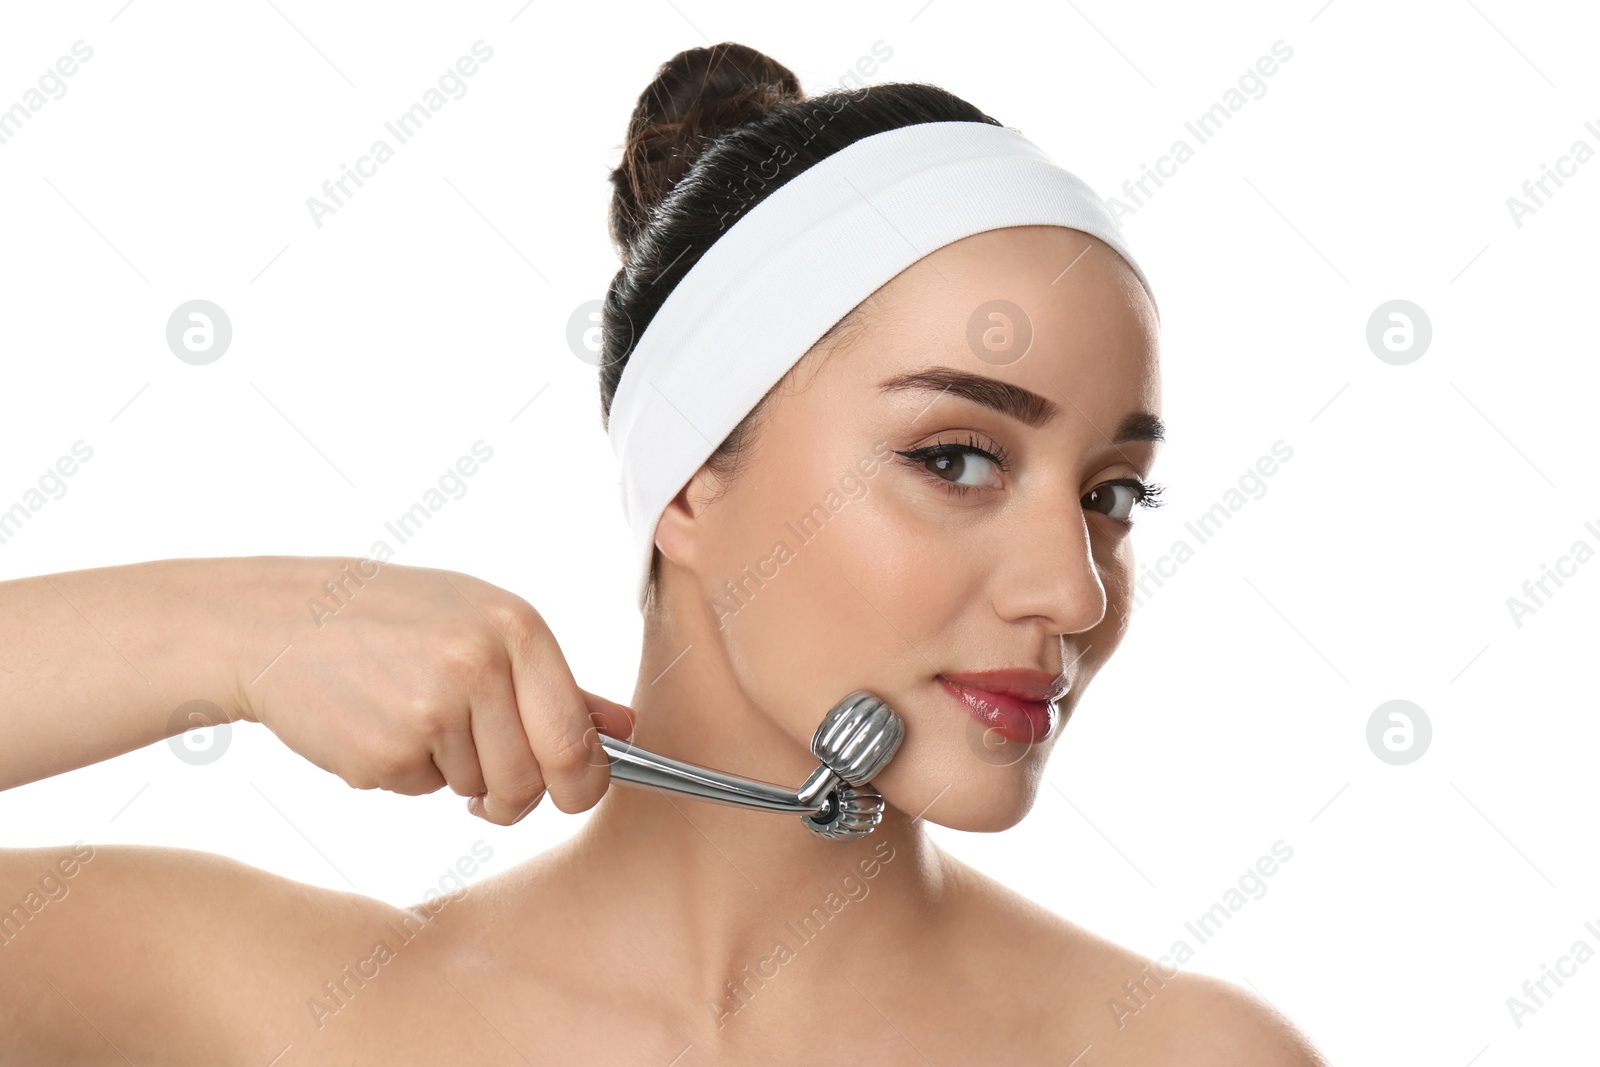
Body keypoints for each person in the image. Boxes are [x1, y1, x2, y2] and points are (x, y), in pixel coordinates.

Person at [0, 42, 1327, 1065]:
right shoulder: (282, 1013)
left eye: (1112, 495)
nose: (1075, 590)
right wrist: (236, 634)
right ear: (689, 485)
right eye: (957, 458)